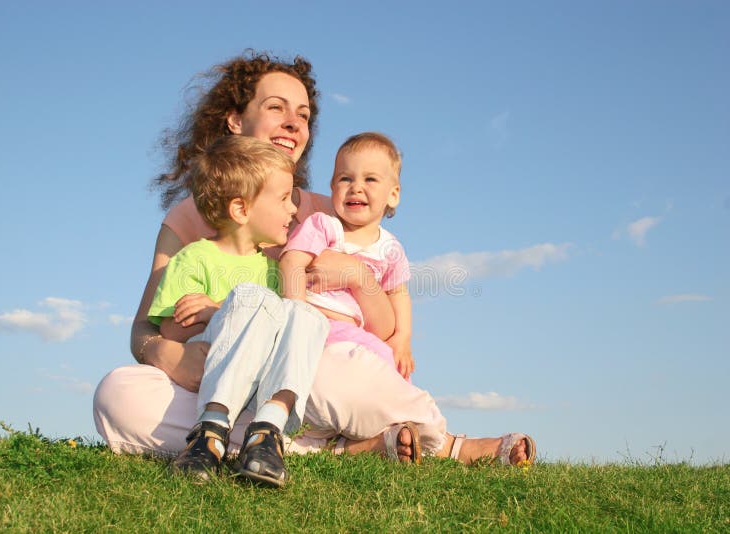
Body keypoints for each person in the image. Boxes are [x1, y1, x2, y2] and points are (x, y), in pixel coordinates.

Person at [92, 50, 535, 467]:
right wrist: (168, 356)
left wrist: (359, 276)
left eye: (303, 116)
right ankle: (325, 445)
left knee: (327, 365)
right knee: (119, 394)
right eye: (277, 109)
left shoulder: (336, 209)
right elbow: (144, 330)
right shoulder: (189, 219)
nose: (293, 124)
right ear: (234, 119)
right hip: (216, 376)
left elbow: (381, 325)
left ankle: (436, 444)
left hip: (312, 369)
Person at [147, 135, 329, 486]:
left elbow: (283, 337)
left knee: (305, 315)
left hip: (259, 375)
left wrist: (217, 309)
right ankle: (209, 433)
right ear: (241, 209)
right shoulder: (194, 258)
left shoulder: (274, 271)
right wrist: (225, 313)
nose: (293, 209)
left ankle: (267, 433)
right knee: (252, 298)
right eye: (283, 200)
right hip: (210, 366)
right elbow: (170, 332)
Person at [280, 132, 414, 380]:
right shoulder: (323, 226)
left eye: (370, 179)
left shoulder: (391, 248)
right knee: (382, 365)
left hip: (355, 333)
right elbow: (292, 261)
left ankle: (399, 413)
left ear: (393, 194)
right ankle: (403, 413)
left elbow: (398, 293)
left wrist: (402, 338)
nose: (356, 188)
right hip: (318, 321)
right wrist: (296, 315)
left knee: (393, 363)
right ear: (332, 188)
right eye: (345, 179)